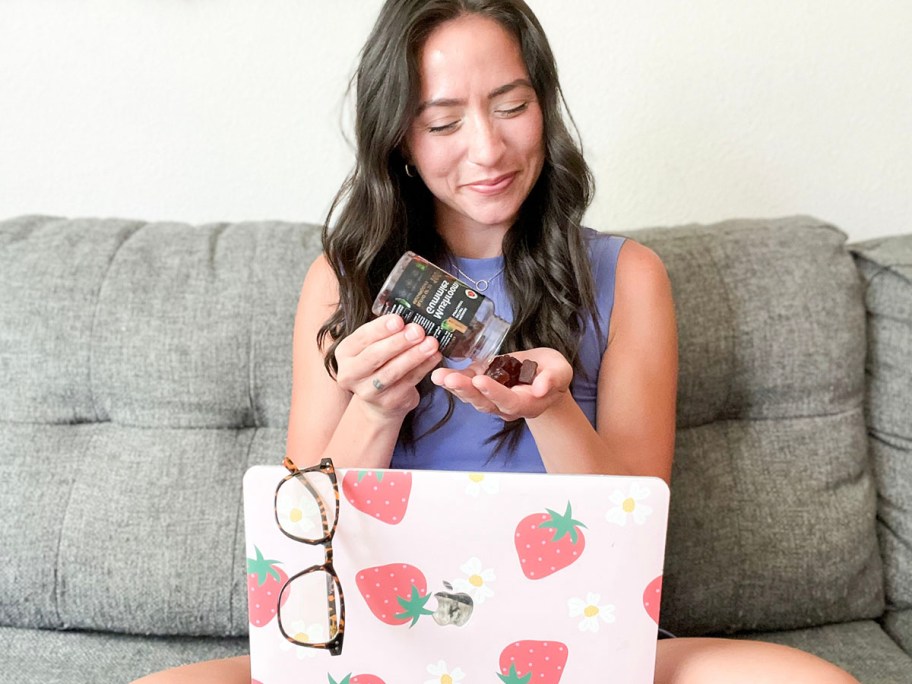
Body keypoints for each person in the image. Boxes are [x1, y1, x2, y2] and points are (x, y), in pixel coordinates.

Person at [134, 1, 859, 682]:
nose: (489, 147)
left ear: (544, 105)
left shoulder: (628, 277)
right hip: (374, 644)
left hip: (574, 645)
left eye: (512, 106)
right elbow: (300, 540)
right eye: (444, 123)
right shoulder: (342, 281)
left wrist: (550, 410)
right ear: (400, 140)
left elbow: (629, 539)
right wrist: (376, 409)